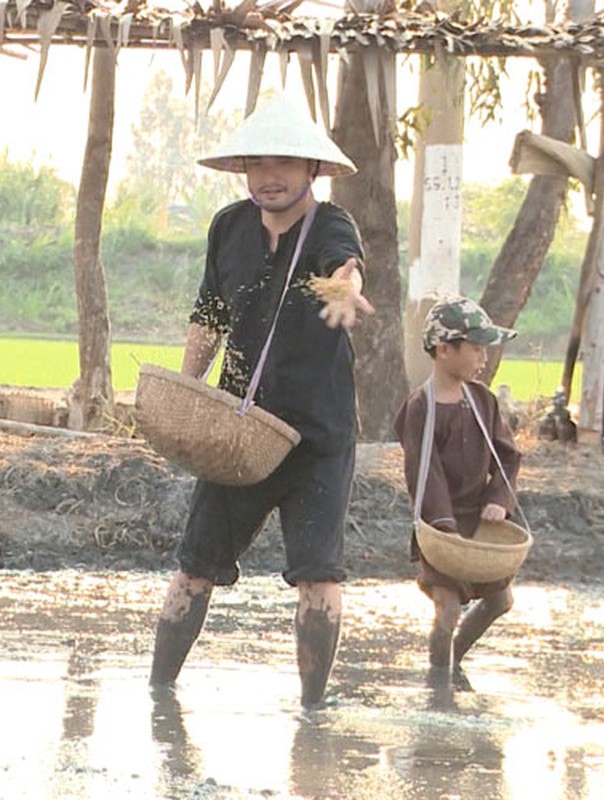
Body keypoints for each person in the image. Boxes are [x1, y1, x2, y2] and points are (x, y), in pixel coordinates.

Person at [148, 94, 375, 709]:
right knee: (194, 567)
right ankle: (158, 696)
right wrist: (186, 390)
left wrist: (345, 290)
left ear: (312, 172)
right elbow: (209, 314)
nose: (269, 178)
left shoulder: (330, 226)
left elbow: (344, 266)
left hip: (316, 436)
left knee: (319, 576)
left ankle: (312, 714)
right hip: (237, 428)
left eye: (284, 165)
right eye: (257, 165)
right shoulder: (228, 227)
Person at [393, 296, 521, 682]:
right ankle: (437, 682)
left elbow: (507, 457)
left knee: (500, 600)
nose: (483, 358)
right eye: (477, 348)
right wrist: (443, 525)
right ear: (445, 350)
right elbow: (424, 471)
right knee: (447, 607)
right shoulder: (422, 408)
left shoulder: (482, 400)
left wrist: (499, 499)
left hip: (478, 518)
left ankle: (453, 662)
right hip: (439, 525)